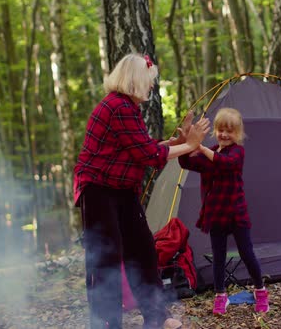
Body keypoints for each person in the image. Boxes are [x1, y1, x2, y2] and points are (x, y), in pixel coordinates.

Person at [73, 53, 210, 329]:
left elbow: (138, 146)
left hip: (122, 187)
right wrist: (191, 145)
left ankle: (157, 315)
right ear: (136, 80)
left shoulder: (128, 107)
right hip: (98, 189)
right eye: (149, 80)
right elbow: (147, 154)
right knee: (105, 256)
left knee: (143, 249)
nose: (152, 86)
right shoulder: (117, 107)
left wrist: (177, 141)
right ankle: (106, 322)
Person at [178, 108, 269, 315]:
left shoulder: (237, 152)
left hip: (236, 213)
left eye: (229, 131)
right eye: (220, 130)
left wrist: (199, 147)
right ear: (215, 131)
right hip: (216, 214)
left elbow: (226, 164)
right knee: (218, 257)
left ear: (238, 133)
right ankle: (220, 296)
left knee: (246, 253)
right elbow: (186, 162)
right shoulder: (211, 151)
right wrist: (186, 140)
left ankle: (260, 291)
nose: (224, 135)